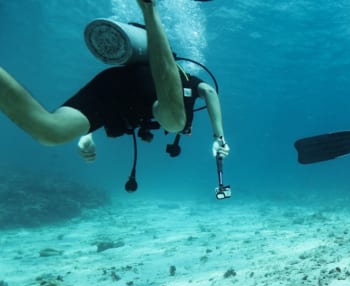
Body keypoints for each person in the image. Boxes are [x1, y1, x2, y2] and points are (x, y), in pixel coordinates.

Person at [0, 0, 229, 188]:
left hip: (113, 82)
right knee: (176, 122)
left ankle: (149, 9)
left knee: (50, 132)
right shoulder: (188, 78)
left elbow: (107, 111)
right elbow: (209, 91)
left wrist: (86, 134)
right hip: (143, 83)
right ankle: (149, 7)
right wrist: (219, 137)